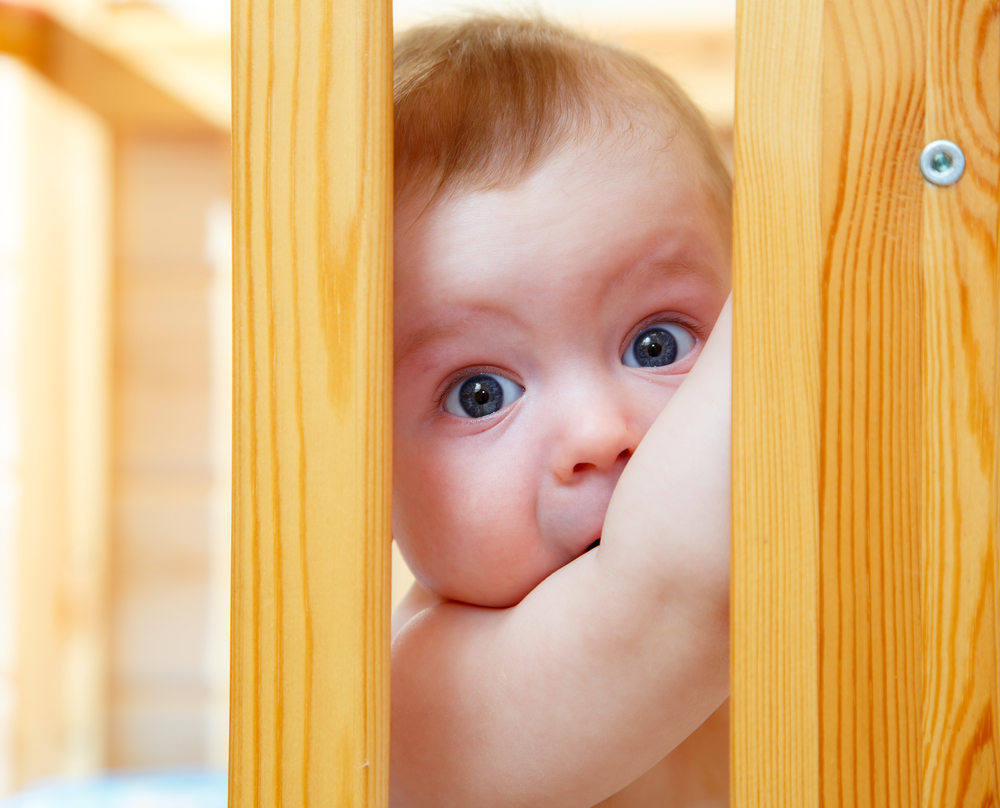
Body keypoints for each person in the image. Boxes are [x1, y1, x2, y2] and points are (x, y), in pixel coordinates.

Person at [390, 16, 732, 807]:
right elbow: (680, 585)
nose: (599, 433)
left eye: (656, 343)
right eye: (480, 393)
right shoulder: (413, 710)